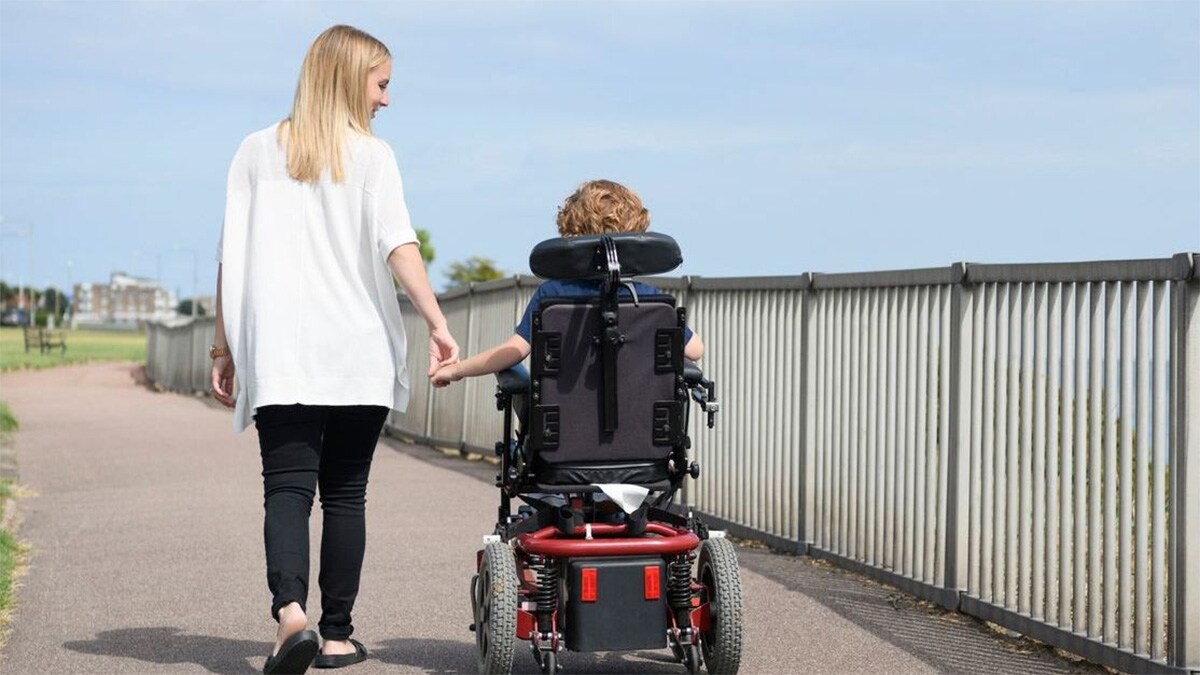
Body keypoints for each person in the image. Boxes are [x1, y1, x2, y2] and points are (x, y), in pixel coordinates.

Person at [209, 25, 459, 674]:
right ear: (351, 78)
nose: (386, 101)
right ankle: (339, 635)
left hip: (282, 352)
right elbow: (399, 246)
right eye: (382, 85)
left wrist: (222, 344)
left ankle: (290, 616)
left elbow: (229, 256)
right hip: (359, 354)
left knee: (286, 489)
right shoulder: (374, 158)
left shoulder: (255, 152)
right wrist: (436, 322)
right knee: (347, 494)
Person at [431, 179, 702, 388]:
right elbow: (695, 350)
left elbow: (513, 352)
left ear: (571, 233)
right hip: (641, 439)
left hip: (563, 440)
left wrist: (457, 370)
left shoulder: (553, 295)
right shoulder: (649, 300)